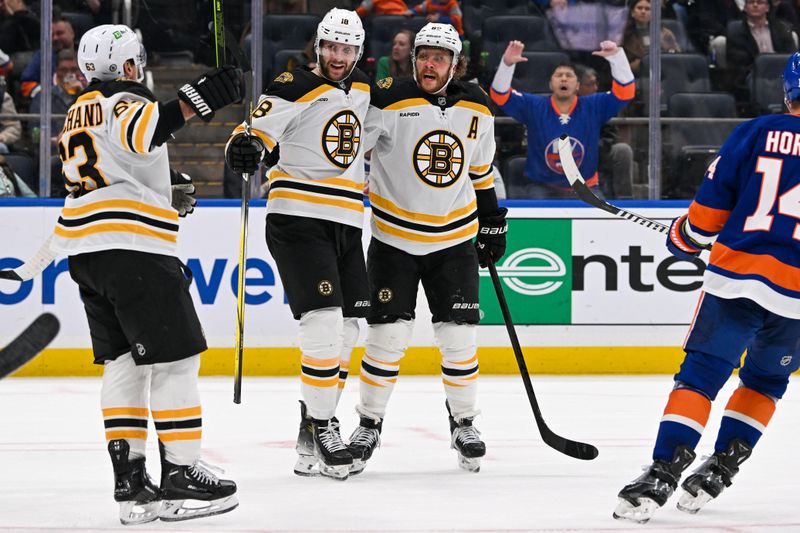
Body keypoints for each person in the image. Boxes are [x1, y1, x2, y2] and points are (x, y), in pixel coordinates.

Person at [50, 24, 241, 524]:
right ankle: (182, 472)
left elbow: (114, 163)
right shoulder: (123, 100)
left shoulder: (77, 110)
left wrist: (161, 186)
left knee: (123, 366)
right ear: (131, 66)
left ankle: (130, 486)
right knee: (177, 361)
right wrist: (203, 96)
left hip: (89, 255)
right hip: (133, 251)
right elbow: (148, 126)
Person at [613, 51, 800, 524]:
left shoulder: (757, 131)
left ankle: (663, 471)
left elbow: (711, 205)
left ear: (788, 89)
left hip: (738, 278)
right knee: (766, 381)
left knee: (700, 376)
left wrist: (686, 237)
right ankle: (722, 465)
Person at [345, 22, 505, 475]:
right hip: (393, 239)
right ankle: (369, 423)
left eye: (439, 57)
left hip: (454, 239)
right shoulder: (388, 97)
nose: (429, 64)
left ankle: (464, 423)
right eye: (423, 55)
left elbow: (481, 171)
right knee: (386, 338)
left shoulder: (477, 105)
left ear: (455, 64)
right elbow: (351, 151)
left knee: (459, 338)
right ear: (412, 57)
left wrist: (493, 221)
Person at [225, 8, 371, 481]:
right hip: (299, 217)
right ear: (318, 45)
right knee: (324, 321)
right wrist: (243, 147)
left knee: (350, 327)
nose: (338, 56)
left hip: (348, 220)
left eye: (347, 49)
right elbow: (249, 135)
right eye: (331, 46)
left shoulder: (365, 90)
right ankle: (326, 423)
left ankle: (311, 427)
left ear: (358, 52)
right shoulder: (291, 84)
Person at [490, 40, 635, 199]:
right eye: (559, 75)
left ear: (578, 85)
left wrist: (616, 58)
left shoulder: (593, 106)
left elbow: (625, 93)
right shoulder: (534, 106)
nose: (564, 79)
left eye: (569, 76)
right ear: (551, 84)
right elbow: (500, 95)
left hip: (585, 187)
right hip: (543, 187)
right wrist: (507, 65)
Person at [29, 48, 86, 197]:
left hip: (84, 152)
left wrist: (82, 94)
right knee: (53, 164)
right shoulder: (43, 96)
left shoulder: (88, 97)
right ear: (57, 72)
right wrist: (55, 140)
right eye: (64, 70)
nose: (69, 74)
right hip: (54, 153)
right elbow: (33, 134)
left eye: (73, 69)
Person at [577, 66, 634, 199]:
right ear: (577, 86)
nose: (595, 88)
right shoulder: (563, 104)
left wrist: (593, 148)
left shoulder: (601, 103)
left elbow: (610, 135)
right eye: (590, 84)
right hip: (568, 154)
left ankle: (625, 201)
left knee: (622, 150)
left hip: (598, 151)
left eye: (596, 83)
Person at [727, 0, 795, 96]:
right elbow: (738, 60)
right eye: (751, 2)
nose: (755, 5)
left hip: (781, 71)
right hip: (754, 73)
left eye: (759, 2)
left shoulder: (782, 28)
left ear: (767, 7)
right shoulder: (735, 31)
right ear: (745, 8)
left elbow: (790, 55)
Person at [20, 16, 76, 99]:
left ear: (72, 33)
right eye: (52, 35)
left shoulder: (86, 54)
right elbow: (26, 84)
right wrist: (51, 94)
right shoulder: (42, 56)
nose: (55, 38)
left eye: (60, 33)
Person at [622, 0, 681, 76]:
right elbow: (622, 68)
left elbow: (677, 57)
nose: (643, 11)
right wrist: (643, 63)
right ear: (632, 12)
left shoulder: (666, 34)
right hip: (638, 78)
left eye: (647, 9)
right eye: (639, 8)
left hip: (665, 74)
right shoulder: (623, 36)